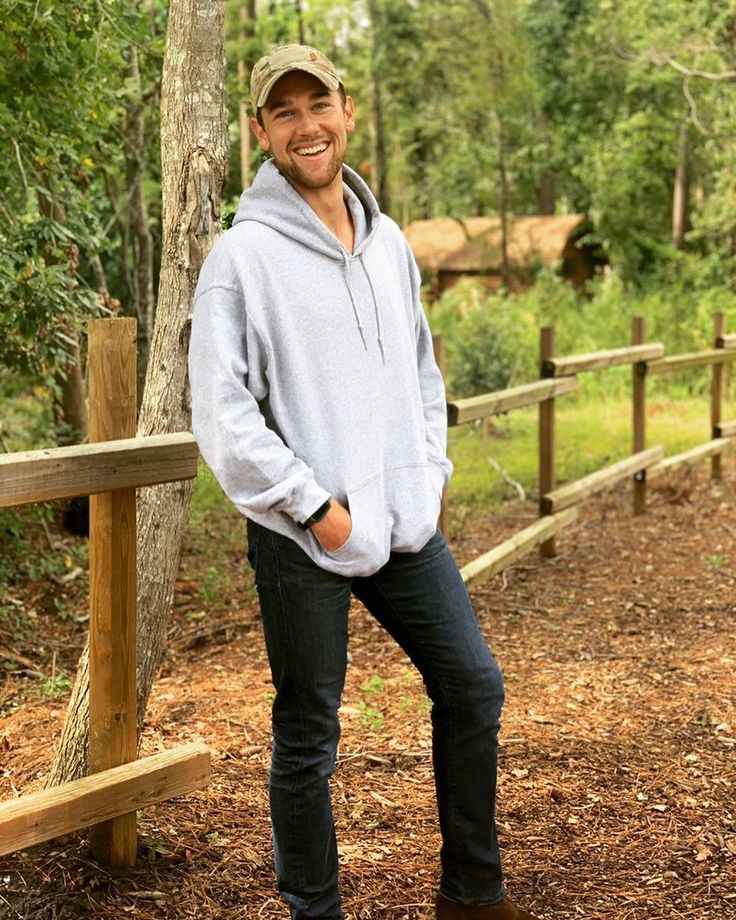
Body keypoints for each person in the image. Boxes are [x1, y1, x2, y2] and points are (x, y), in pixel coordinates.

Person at [188, 43, 537, 920]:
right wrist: (317, 508)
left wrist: (430, 473)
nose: (307, 125)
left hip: (404, 520)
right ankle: (316, 911)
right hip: (304, 532)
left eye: (320, 105)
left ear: (347, 111)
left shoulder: (389, 246)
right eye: (285, 112)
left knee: (473, 684)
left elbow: (421, 373)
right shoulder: (242, 258)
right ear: (261, 131)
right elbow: (223, 416)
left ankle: (472, 895)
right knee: (309, 733)